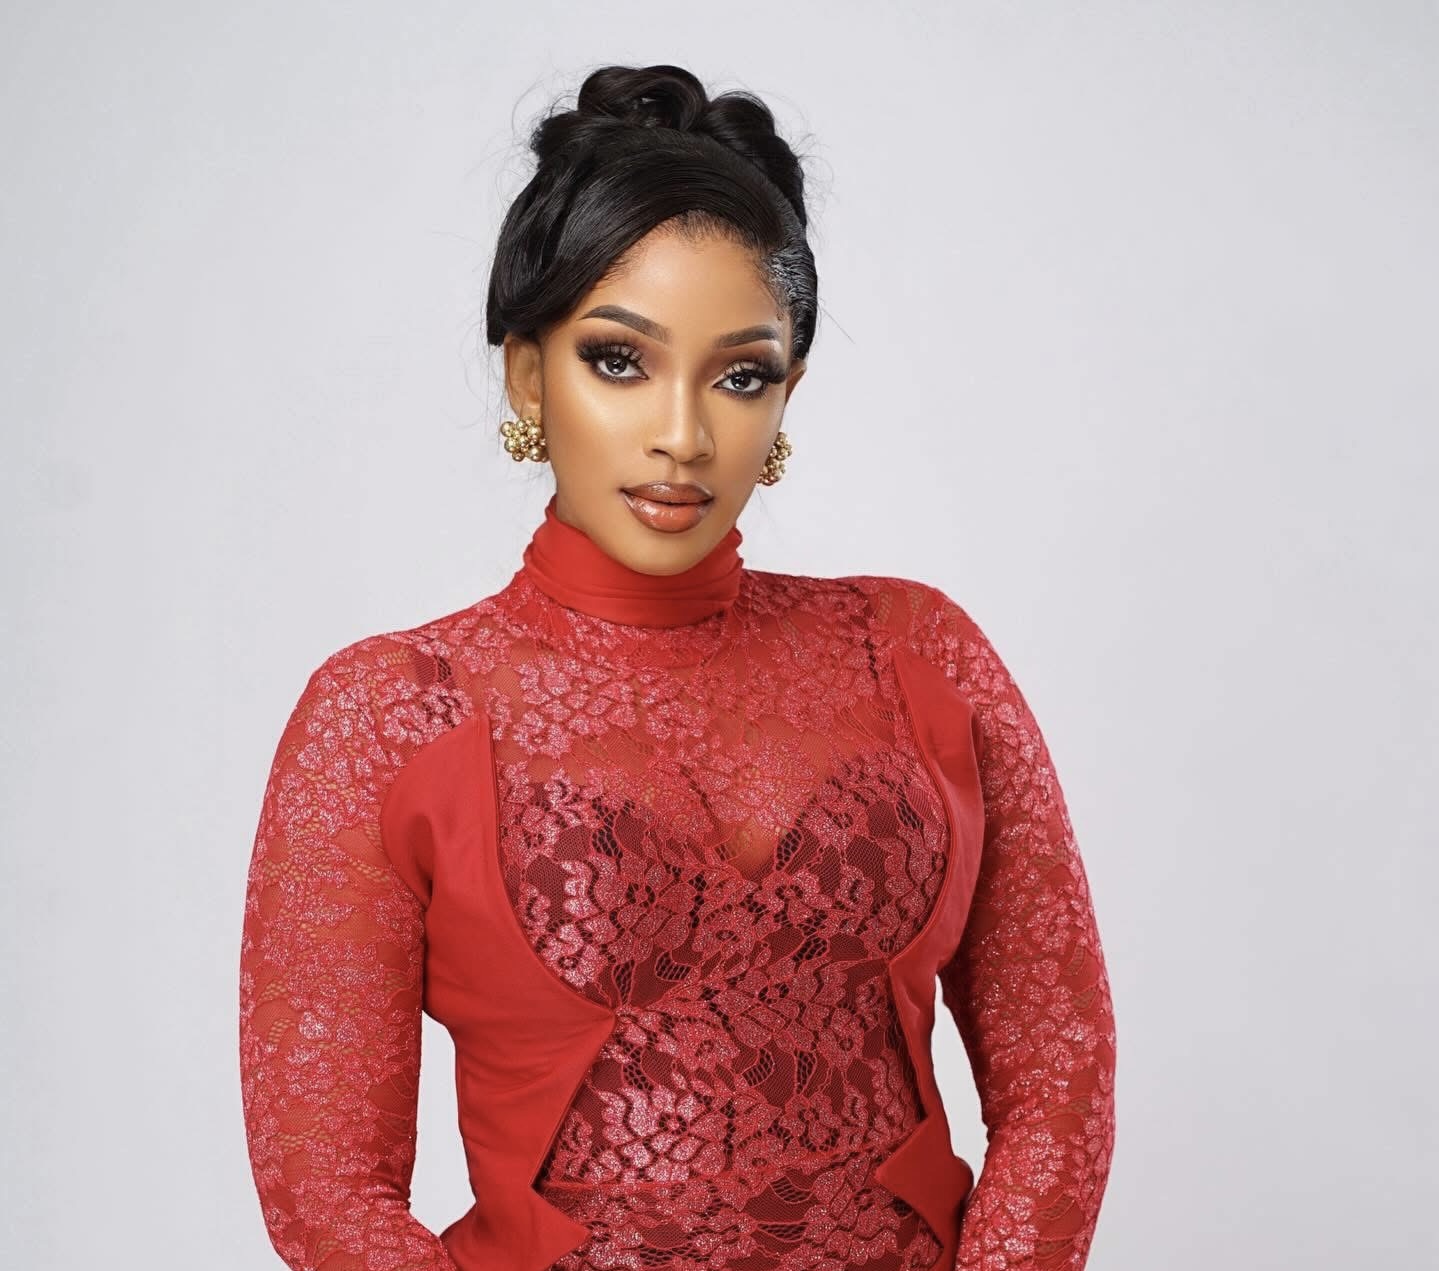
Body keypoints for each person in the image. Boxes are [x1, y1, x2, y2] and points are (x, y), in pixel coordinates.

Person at [238, 63, 1117, 1271]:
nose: (682, 435)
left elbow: (1058, 1071)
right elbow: (324, 1186)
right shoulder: (392, 712)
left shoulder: (917, 653)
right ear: (525, 372)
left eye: (739, 374)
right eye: (619, 360)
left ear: (787, 394)